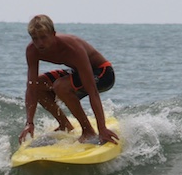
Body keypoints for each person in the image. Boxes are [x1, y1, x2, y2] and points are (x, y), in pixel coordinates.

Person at [19, 14, 119, 145]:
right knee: (38, 84)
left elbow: (92, 91)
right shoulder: (32, 50)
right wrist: (29, 123)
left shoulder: (72, 48)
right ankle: (65, 125)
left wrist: (102, 128)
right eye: (35, 38)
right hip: (78, 71)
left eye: (43, 37)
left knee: (61, 86)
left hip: (103, 73)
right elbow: (31, 87)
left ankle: (88, 131)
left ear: (53, 34)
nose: (39, 43)